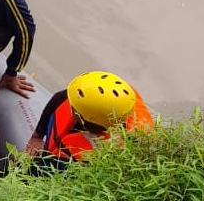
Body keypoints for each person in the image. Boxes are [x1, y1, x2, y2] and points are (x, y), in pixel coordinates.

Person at [23, 71, 153, 171]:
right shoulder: (123, 101)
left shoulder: (85, 157)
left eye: (74, 108)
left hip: (60, 163)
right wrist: (37, 135)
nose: (70, 103)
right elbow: (60, 97)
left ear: (81, 119)